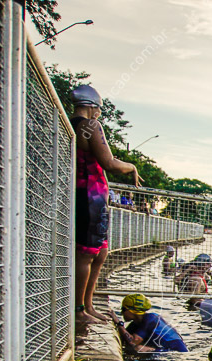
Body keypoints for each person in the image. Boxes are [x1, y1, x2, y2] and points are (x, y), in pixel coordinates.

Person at [70, 84, 140, 324]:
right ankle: (79, 310)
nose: (99, 114)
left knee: (100, 254)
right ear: (93, 107)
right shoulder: (89, 125)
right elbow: (108, 162)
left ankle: (88, 305)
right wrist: (131, 166)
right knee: (87, 254)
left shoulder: (71, 124)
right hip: (89, 194)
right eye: (99, 109)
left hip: (94, 196)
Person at [116, 294, 188, 352]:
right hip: (163, 348)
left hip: (175, 350)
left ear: (132, 311)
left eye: (123, 309)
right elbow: (124, 338)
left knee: (139, 348)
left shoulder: (151, 319)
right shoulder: (136, 323)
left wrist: (120, 324)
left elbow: (133, 342)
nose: (122, 312)